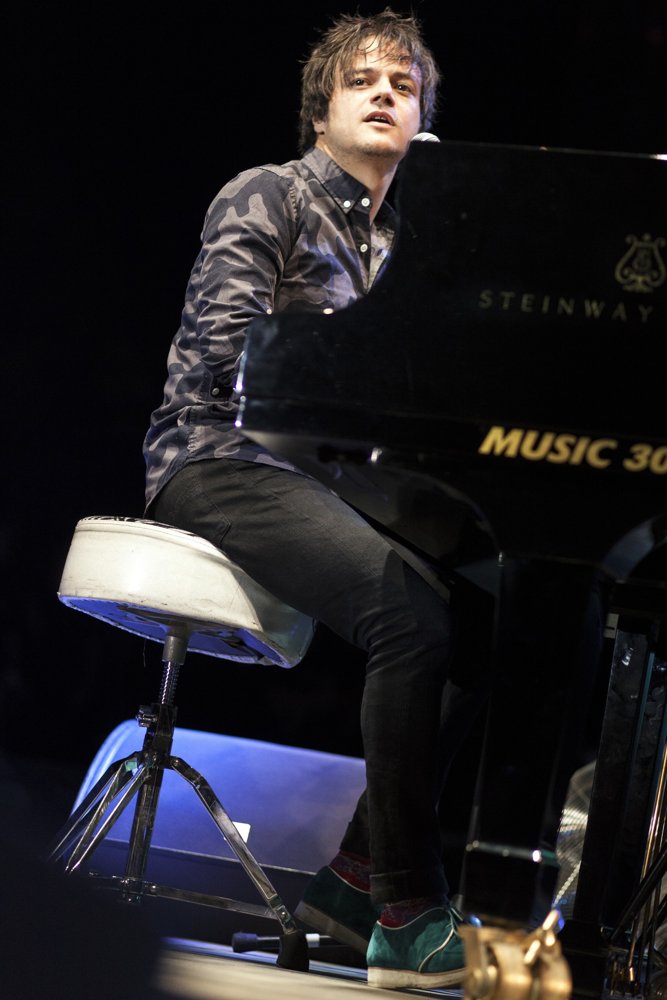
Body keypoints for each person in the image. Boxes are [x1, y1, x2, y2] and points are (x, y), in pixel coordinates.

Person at [143, 9, 480, 989]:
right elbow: (225, 356)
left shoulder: (411, 244)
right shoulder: (269, 193)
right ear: (321, 110)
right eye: (361, 80)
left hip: (338, 477)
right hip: (218, 458)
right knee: (408, 613)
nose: (384, 94)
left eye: (403, 86)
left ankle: (354, 879)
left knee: (492, 615)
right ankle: (408, 908)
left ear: (421, 121)